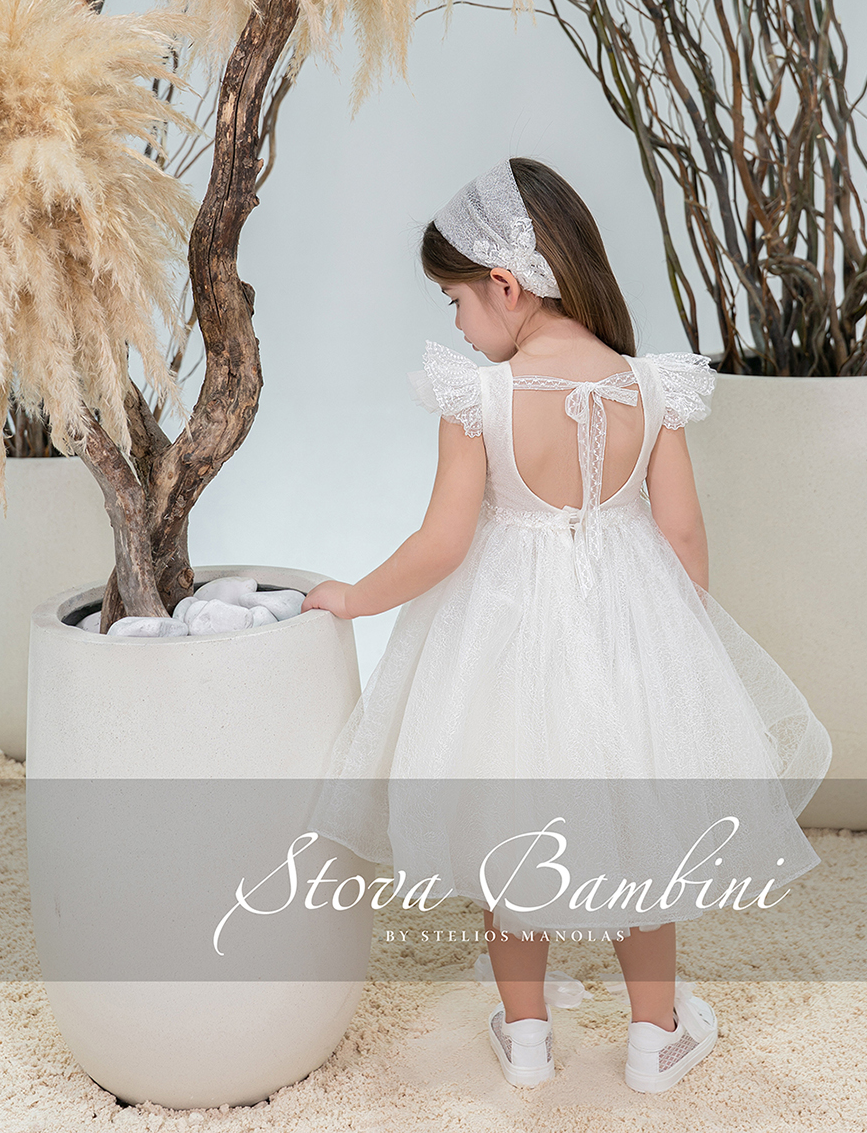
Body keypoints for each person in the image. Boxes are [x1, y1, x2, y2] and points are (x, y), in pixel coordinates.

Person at [302, 156, 832, 1094]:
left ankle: (528, 1036)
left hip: (509, 639)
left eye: (455, 301)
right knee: (642, 832)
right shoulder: (653, 387)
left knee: (511, 826)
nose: (457, 325)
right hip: (634, 633)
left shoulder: (483, 400)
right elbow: (683, 534)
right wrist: (682, 645)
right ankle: (655, 1038)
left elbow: (441, 544)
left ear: (505, 286)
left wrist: (354, 597)